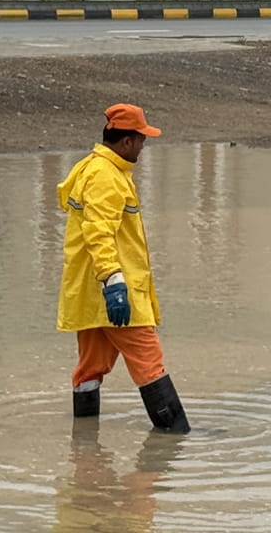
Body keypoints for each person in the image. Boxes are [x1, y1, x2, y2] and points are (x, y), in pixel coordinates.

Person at [56, 103, 190, 433]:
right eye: (142, 140)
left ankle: (85, 450)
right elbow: (99, 231)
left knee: (89, 371)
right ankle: (176, 440)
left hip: (89, 294)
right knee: (149, 363)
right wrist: (114, 282)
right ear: (127, 142)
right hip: (116, 293)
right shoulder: (105, 176)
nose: (144, 146)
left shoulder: (92, 167)